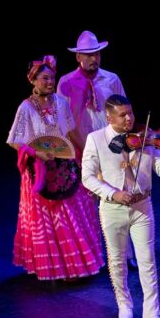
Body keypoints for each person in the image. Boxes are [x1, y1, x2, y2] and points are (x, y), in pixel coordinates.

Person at [81, 95, 160, 318]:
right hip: (112, 209)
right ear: (109, 117)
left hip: (142, 207)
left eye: (130, 113)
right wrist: (111, 193)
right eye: (122, 115)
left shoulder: (145, 138)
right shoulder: (96, 139)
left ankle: (152, 313)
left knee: (147, 261)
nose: (129, 118)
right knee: (117, 259)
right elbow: (87, 177)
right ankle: (124, 302)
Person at [6, 55, 103, 280]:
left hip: (64, 165)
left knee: (73, 214)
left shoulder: (61, 102)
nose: (50, 82)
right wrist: (37, 153)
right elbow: (15, 140)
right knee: (49, 221)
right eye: (44, 78)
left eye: (52, 78)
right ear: (33, 80)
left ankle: (77, 267)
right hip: (39, 169)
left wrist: (82, 156)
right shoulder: (26, 108)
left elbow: (68, 132)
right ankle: (54, 269)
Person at [57, 31, 127, 154]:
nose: (94, 58)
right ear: (78, 57)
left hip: (110, 146)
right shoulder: (66, 82)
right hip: (79, 148)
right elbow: (63, 120)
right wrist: (84, 150)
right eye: (89, 55)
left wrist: (118, 144)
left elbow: (124, 112)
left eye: (97, 54)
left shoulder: (112, 79)